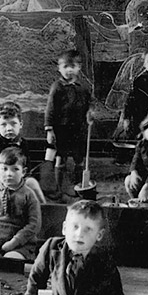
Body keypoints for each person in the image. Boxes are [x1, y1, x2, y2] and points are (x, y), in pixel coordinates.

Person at [44, 49, 94, 198]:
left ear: (79, 68)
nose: (69, 70)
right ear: (59, 68)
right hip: (61, 130)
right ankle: (59, 189)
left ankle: (80, 188)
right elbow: (50, 109)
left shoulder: (83, 87)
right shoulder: (57, 88)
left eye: (72, 66)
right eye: (65, 66)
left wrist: (90, 112)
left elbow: (89, 103)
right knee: (60, 157)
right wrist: (49, 129)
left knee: (79, 159)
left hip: (78, 129)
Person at [0, 147, 41, 261]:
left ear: (23, 172)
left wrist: (15, 242)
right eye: (4, 169)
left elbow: (34, 224)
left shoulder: (29, 195)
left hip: (22, 243)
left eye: (15, 169)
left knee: (11, 262)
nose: (9, 174)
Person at [0, 101, 45, 203]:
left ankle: (43, 210)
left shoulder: (23, 143)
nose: (9, 128)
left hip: (18, 181)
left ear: (21, 124)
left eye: (13, 124)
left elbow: (27, 169)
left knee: (32, 183)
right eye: (4, 125)